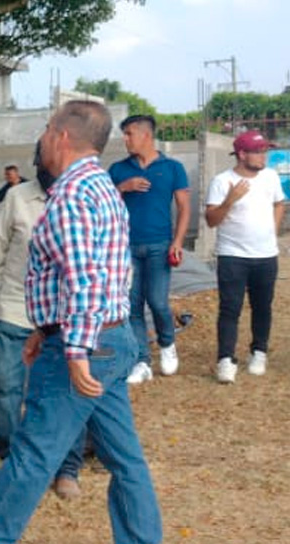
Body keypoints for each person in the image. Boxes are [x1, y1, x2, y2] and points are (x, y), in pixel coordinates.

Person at [0, 100, 166, 544]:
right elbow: (98, 275)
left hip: (88, 343)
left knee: (36, 445)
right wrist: (46, 329)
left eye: (44, 130)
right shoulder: (101, 187)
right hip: (112, 334)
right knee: (125, 458)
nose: (41, 139)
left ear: (60, 135)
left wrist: (74, 347)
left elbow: (82, 279)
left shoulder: (72, 194)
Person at [0, 143, 85, 500]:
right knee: (8, 387)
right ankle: (14, 462)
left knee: (61, 394)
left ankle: (67, 468)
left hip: (63, 316)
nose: (49, 164)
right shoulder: (16, 197)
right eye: (43, 158)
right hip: (15, 309)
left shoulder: (79, 196)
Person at [109, 115, 190, 385]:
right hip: (126, 248)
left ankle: (167, 344)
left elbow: (184, 207)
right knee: (132, 306)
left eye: (129, 133)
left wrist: (177, 241)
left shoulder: (172, 167)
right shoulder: (118, 169)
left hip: (159, 245)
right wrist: (123, 187)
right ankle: (141, 361)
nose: (125, 138)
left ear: (146, 135)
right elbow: (105, 203)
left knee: (157, 301)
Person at [204, 130, 285, 383]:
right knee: (230, 308)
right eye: (259, 152)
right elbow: (211, 220)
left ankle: (259, 351)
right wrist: (230, 200)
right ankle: (225, 359)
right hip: (232, 256)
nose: (264, 157)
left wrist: (273, 229)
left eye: (265, 151)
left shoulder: (270, 177)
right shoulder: (221, 181)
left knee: (262, 306)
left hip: (266, 255)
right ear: (242, 154)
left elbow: (279, 203)